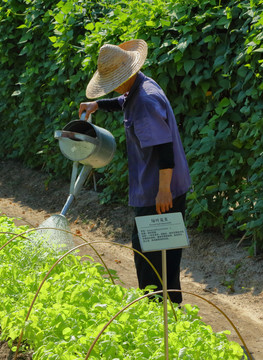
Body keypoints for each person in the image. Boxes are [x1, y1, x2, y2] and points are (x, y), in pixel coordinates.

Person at [78, 39, 191, 304]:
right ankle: (170, 312)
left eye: (113, 82)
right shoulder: (142, 85)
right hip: (162, 187)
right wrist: (99, 105)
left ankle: (157, 311)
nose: (114, 87)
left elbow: (164, 150)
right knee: (165, 252)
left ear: (126, 74)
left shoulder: (146, 103)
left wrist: (164, 191)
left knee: (150, 254)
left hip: (160, 191)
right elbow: (123, 99)